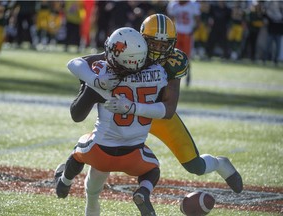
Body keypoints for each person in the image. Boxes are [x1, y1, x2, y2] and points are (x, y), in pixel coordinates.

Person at [65, 13, 243, 215]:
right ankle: (85, 192)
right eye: (154, 44)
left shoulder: (173, 61)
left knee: (195, 165)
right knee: (104, 153)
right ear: (141, 39)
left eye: (164, 45)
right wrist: (95, 81)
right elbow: (79, 62)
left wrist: (133, 107)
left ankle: (221, 163)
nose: (158, 50)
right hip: (121, 115)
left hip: (155, 114)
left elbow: (168, 109)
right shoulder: (130, 49)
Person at [55, 27, 168, 216]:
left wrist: (93, 82)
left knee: (78, 151)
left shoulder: (104, 73)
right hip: (135, 155)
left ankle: (63, 182)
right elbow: (164, 110)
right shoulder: (158, 73)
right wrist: (134, 107)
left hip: (99, 151)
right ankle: (143, 191)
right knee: (153, 170)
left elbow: (77, 115)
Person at [166, 0, 201, 85]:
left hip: (187, 34)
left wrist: (192, 32)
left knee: (187, 57)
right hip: (177, 34)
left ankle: (188, 74)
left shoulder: (193, 5)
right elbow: (169, 20)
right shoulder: (173, 4)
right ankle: (170, 75)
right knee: (172, 55)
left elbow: (198, 22)